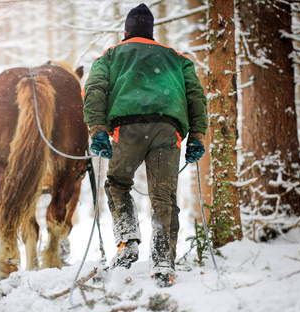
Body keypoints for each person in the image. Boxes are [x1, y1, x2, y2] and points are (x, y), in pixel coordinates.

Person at [83, 3, 208, 288]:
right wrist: (197, 137)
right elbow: (196, 97)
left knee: (117, 182)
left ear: (126, 31)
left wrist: (98, 130)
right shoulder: (177, 58)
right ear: (151, 33)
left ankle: (127, 242)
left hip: (128, 127)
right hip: (167, 129)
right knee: (164, 197)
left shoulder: (112, 55)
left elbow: (95, 89)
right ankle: (163, 262)